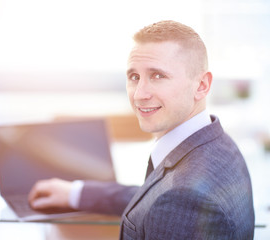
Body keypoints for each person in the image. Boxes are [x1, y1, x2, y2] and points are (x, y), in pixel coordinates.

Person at [28, 20, 255, 239]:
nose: (139, 94)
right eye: (134, 77)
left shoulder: (183, 200)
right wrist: (76, 193)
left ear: (201, 85)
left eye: (158, 76)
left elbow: (173, 201)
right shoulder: (217, 143)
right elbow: (155, 197)